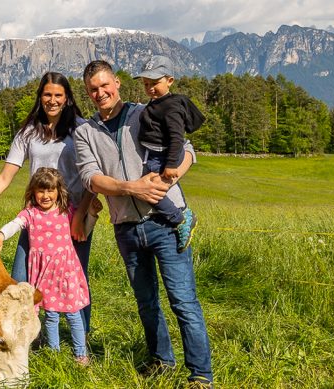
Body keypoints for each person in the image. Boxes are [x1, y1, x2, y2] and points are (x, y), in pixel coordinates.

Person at [74, 60, 213, 388]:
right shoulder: (85, 132)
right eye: (93, 89)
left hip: (166, 222)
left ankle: (200, 375)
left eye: (105, 85)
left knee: (182, 299)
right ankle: (162, 361)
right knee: (146, 301)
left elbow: (187, 149)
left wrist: (172, 176)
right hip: (126, 227)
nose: (100, 93)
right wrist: (131, 188)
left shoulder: (145, 112)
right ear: (87, 92)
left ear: (117, 83)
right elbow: (91, 178)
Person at [0, 72, 98, 333]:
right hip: (37, 218)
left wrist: (81, 215)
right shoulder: (28, 132)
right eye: (47, 94)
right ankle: (29, 338)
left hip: (72, 217)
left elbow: (92, 176)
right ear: (40, 97)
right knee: (22, 280)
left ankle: (81, 339)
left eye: (58, 95)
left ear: (67, 99)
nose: (52, 100)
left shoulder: (81, 129)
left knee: (74, 278)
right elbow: (5, 176)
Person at [0, 167, 90, 365]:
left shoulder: (67, 211)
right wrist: (0, 235)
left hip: (65, 272)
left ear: (58, 191)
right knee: (50, 315)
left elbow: (84, 227)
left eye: (50, 190)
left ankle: (81, 354)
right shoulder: (30, 214)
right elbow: (14, 224)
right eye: (41, 191)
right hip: (44, 275)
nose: (45, 195)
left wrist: (92, 213)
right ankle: (54, 354)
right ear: (33, 192)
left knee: (73, 314)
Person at [133, 55, 204, 252]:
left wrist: (171, 165)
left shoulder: (171, 107)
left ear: (170, 80)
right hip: (155, 155)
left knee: (151, 192)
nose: (150, 88)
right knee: (149, 189)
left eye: (155, 83)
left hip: (163, 157)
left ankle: (181, 218)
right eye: (146, 84)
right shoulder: (157, 102)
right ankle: (179, 216)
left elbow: (176, 137)